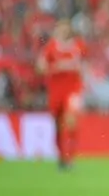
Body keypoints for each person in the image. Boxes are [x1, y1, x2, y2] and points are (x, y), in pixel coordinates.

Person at [36, 19, 86, 171]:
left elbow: (83, 65)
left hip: (73, 89)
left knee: (71, 120)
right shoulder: (51, 47)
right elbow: (40, 67)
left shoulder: (78, 45)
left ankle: (70, 159)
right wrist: (55, 67)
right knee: (58, 125)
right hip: (56, 90)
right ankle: (61, 157)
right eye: (61, 28)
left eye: (66, 28)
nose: (63, 31)